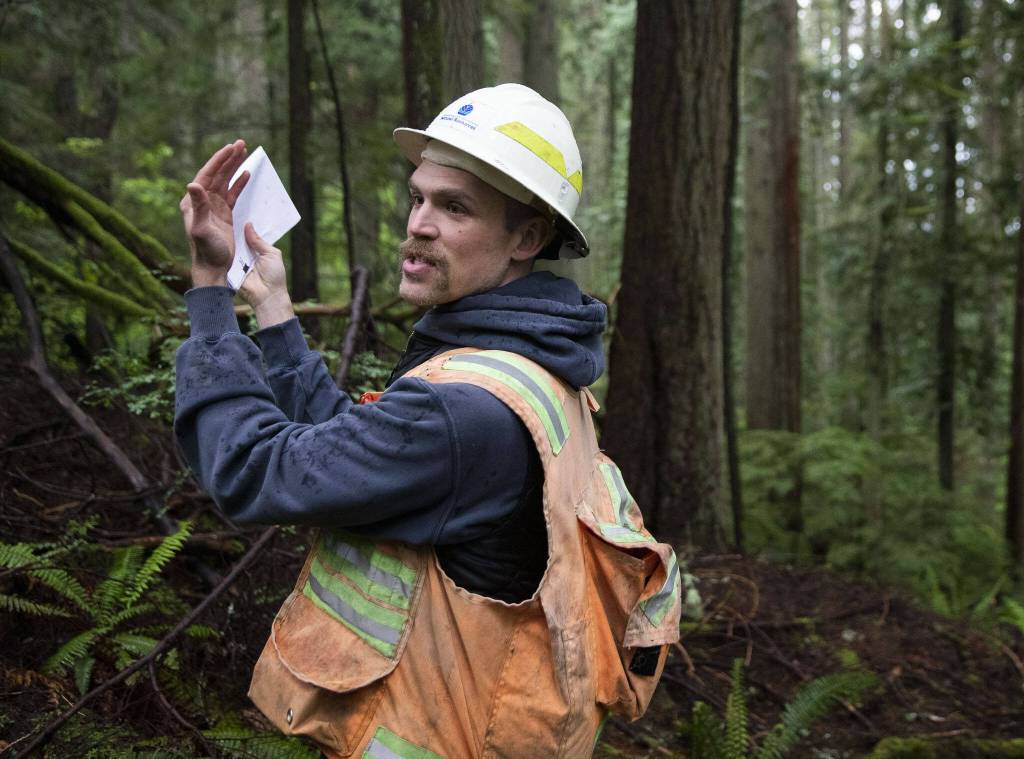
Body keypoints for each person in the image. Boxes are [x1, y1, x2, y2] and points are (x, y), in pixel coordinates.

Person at [175, 83, 679, 759]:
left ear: (526, 237)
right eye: (418, 197)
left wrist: (209, 294)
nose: (418, 222)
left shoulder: (466, 411)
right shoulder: (535, 375)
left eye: (455, 206)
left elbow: (253, 471)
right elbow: (357, 459)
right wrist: (272, 305)